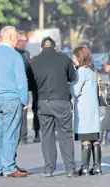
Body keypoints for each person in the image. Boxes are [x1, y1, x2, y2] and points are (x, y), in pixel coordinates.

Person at [0, 26, 29, 178]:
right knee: (11, 133)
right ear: (9, 37)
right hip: (11, 97)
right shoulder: (15, 56)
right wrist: (24, 100)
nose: (17, 40)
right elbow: (21, 81)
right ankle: (9, 167)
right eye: (16, 37)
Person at [30, 37, 77, 177]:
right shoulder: (64, 58)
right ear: (55, 47)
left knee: (47, 136)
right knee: (66, 135)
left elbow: (31, 84)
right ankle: (70, 168)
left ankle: (49, 168)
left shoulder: (34, 61)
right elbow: (72, 77)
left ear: (41, 48)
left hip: (43, 102)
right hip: (61, 101)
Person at [70, 45, 102, 176]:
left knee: (85, 139)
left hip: (83, 109)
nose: (72, 59)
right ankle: (97, 167)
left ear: (79, 57)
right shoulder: (92, 70)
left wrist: (70, 84)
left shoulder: (81, 71)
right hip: (93, 108)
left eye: (74, 56)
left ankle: (84, 168)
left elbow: (75, 91)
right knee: (94, 138)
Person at [15, 30, 40, 143]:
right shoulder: (12, 53)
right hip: (13, 87)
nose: (26, 43)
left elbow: (29, 70)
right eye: (24, 41)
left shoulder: (26, 53)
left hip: (24, 86)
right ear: (18, 41)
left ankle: (23, 136)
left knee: (24, 110)